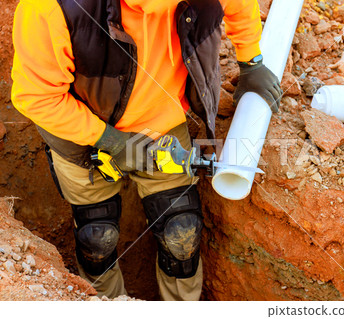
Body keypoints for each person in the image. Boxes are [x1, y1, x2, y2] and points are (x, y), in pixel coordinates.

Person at [11, 0, 282, 300]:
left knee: (182, 233)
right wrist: (110, 141)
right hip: (81, 137)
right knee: (97, 237)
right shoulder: (50, 7)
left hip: (164, 124)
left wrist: (252, 61)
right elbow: (37, 97)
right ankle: (105, 303)